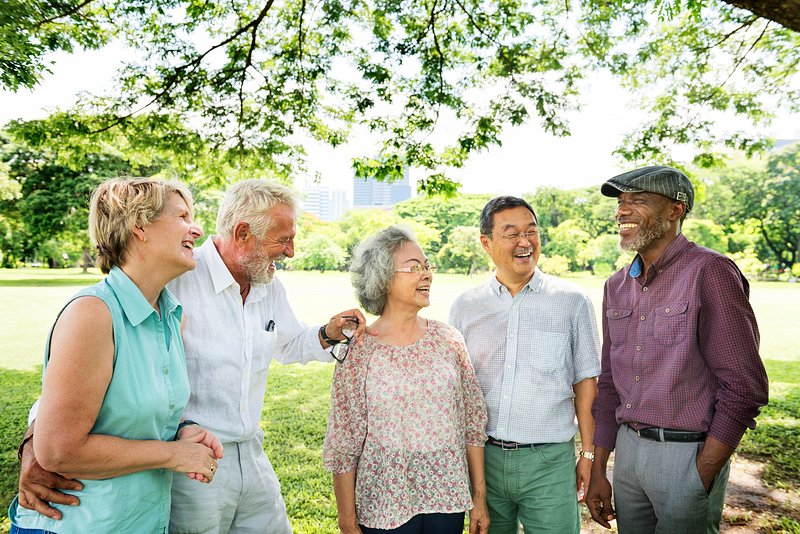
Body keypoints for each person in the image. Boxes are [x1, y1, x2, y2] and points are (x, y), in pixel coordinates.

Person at [17, 178, 368, 533]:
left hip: (244, 451)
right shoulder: (171, 277)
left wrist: (327, 334)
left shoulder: (202, 302)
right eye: (283, 239)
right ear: (243, 233)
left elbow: (289, 343)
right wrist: (37, 440)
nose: (290, 251)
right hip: (186, 466)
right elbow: (72, 374)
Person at [9, 178, 223, 533]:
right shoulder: (93, 313)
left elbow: (136, 416)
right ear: (139, 226)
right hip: (72, 525)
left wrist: (183, 431)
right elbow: (58, 450)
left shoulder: (172, 317)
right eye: (183, 217)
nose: (196, 230)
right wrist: (172, 455)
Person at [586, 165, 770, 533]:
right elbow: (609, 385)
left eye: (637, 200)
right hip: (627, 455)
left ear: (676, 209)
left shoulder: (711, 272)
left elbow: (745, 387)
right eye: (621, 202)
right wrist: (598, 469)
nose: (622, 210)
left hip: (687, 456)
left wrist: (701, 473)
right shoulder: (616, 285)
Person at [323, 225, 490, 534]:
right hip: (384, 503)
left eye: (427, 266)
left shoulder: (448, 339)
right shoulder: (360, 349)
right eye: (414, 268)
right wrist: (346, 519)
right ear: (384, 278)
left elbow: (472, 422)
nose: (426, 274)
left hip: (447, 498)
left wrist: (478, 497)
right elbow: (343, 442)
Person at [449, 196, 601, 534]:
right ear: (486, 243)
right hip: (483, 460)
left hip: (549, 462)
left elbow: (586, 384)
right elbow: (457, 390)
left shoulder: (572, 301)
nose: (524, 242)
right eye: (511, 233)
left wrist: (588, 455)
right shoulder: (465, 307)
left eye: (531, 232)